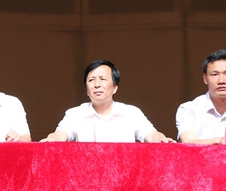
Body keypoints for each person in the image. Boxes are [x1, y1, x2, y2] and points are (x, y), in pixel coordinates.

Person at [42, 60, 175, 143]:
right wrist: (52, 138)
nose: (97, 85)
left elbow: (150, 134)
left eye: (103, 79)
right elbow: (62, 134)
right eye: (91, 80)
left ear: (115, 87)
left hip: (123, 175)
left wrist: (160, 138)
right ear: (87, 90)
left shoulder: (131, 113)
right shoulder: (75, 114)